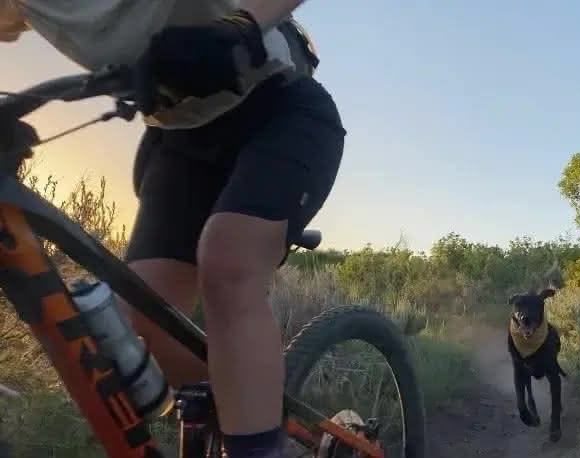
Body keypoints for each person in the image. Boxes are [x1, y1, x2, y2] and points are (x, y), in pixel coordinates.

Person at [0, 1, 345, 457]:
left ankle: (257, 443)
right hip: (180, 137)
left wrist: (239, 29)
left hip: (279, 107)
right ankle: (248, 417)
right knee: (144, 321)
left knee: (228, 264)